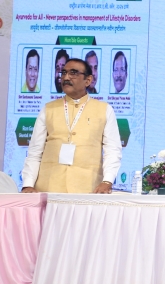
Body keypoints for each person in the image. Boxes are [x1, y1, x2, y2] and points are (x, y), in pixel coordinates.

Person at [21, 58, 121, 193]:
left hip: (88, 190)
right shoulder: (48, 109)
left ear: (88, 80)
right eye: (63, 73)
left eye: (73, 73)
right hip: (49, 189)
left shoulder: (104, 110)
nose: (66, 77)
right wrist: (27, 184)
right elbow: (34, 152)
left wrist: (107, 181)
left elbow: (112, 150)